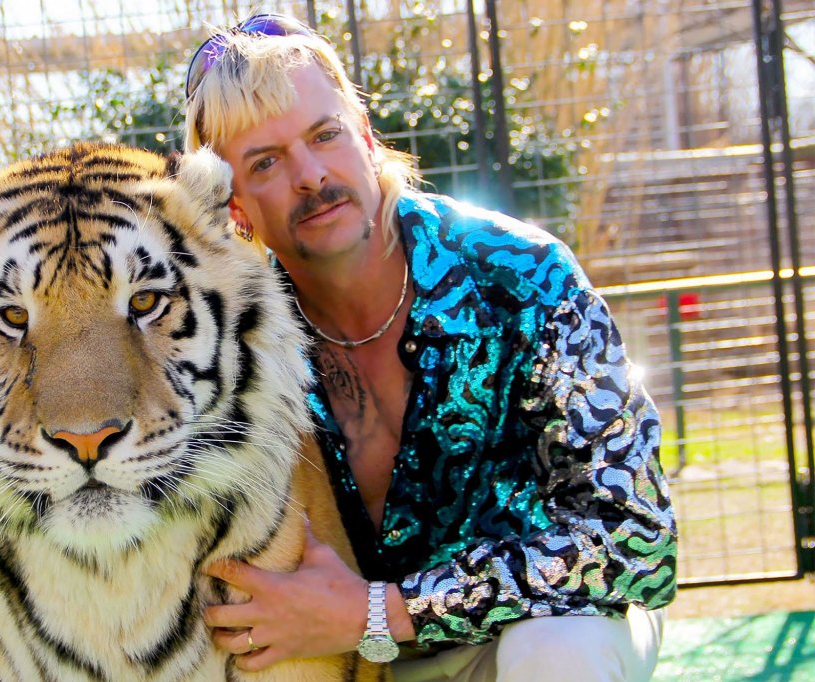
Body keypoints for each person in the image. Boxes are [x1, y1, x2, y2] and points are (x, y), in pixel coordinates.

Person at [183, 13, 677, 682]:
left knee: (559, 656)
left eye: (325, 135)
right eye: (266, 162)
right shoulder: (230, 346)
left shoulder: (525, 275)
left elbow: (638, 539)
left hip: (530, 631)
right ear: (235, 207)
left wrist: (381, 611)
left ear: (363, 136)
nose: (308, 174)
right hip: (344, 656)